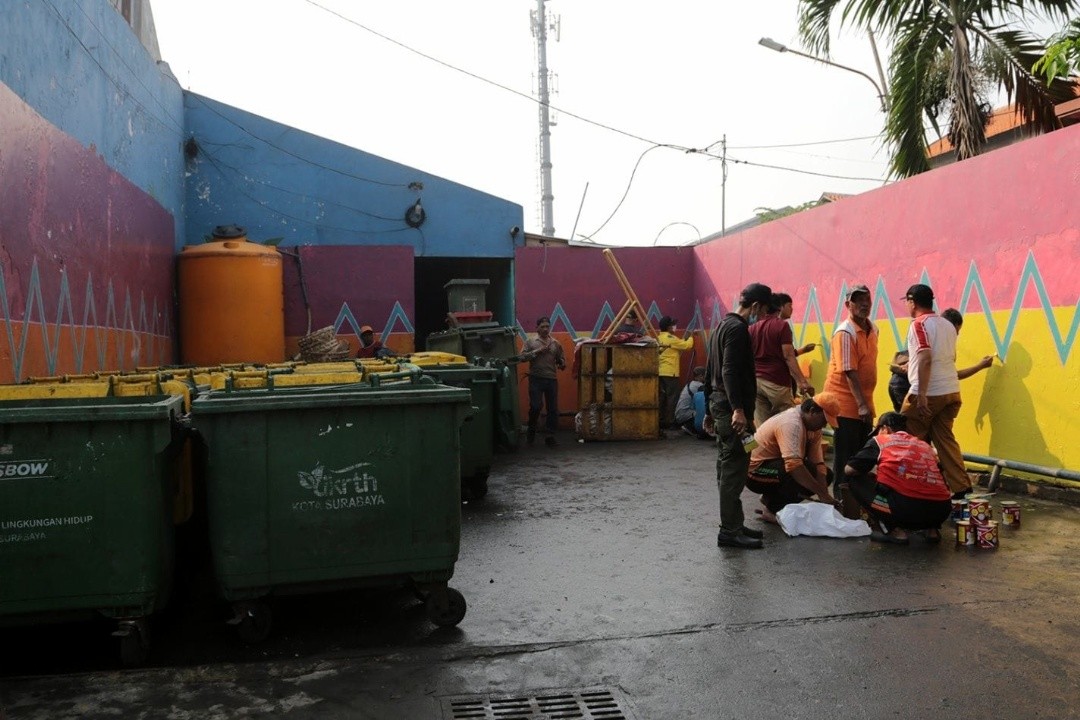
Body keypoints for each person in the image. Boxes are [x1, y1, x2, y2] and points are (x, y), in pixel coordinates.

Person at [704, 282, 773, 549]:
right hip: (732, 410)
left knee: (730, 464)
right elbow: (729, 371)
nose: (762, 316)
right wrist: (738, 410)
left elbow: (711, 368)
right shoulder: (738, 329)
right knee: (734, 468)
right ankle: (730, 531)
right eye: (764, 311)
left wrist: (711, 405)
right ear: (755, 306)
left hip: (720, 404)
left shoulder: (722, 325)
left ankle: (734, 522)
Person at [899, 284, 970, 497]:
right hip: (951, 391)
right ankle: (962, 487)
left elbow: (926, 357)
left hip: (930, 392)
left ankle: (910, 489)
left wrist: (920, 395)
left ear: (912, 302)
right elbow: (949, 359)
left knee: (908, 440)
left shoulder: (918, 325)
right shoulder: (948, 325)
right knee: (946, 440)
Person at [814, 284, 878, 507]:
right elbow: (849, 371)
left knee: (861, 452)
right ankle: (841, 497)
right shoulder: (845, 332)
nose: (863, 304)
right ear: (847, 304)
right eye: (857, 300)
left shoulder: (873, 329)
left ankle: (856, 496)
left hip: (863, 401)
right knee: (846, 452)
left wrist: (866, 404)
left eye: (866, 299)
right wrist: (862, 405)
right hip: (844, 402)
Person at [844, 411, 952, 544]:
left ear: (885, 429)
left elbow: (850, 470)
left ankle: (896, 532)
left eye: (878, 431)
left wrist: (869, 474)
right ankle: (932, 531)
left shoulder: (880, 440)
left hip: (905, 511)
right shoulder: (924, 445)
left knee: (854, 480)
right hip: (942, 510)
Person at [746, 398, 836, 523]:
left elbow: (818, 464)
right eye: (824, 420)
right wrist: (821, 493)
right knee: (795, 473)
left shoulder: (814, 428)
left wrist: (825, 494)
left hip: (776, 466)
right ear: (812, 411)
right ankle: (772, 510)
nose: (824, 425)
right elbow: (794, 466)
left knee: (826, 475)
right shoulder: (791, 423)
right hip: (754, 471)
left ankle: (771, 499)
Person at [748, 292, 814, 429]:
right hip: (776, 382)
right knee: (789, 425)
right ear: (780, 307)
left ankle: (765, 450)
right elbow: (788, 356)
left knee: (763, 429)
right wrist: (802, 381)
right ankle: (787, 451)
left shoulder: (752, 328)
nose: (792, 309)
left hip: (756, 382)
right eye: (790, 305)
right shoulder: (781, 326)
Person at [522, 316, 566, 447]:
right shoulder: (530, 342)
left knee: (553, 409)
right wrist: (537, 351)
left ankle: (550, 435)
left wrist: (562, 364)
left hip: (551, 379)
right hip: (535, 378)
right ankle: (531, 429)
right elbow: (523, 357)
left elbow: (561, 360)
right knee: (535, 406)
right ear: (537, 328)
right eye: (542, 327)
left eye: (547, 326)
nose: (545, 329)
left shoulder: (555, 344)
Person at [657, 315, 694, 431]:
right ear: (668, 327)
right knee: (673, 397)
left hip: (660, 372)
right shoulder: (670, 338)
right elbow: (687, 346)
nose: (674, 326)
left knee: (662, 397)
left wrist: (684, 339)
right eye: (672, 324)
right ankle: (672, 422)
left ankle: (661, 420)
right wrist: (691, 337)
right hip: (670, 373)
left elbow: (679, 343)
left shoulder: (660, 337)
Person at [941, 308, 994, 379]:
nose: (957, 334)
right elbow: (951, 376)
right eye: (956, 330)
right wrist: (980, 366)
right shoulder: (941, 348)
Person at [675, 366, 709, 439]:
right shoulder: (699, 386)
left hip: (680, 414)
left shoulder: (691, 384)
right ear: (701, 376)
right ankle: (690, 427)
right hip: (685, 415)